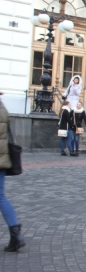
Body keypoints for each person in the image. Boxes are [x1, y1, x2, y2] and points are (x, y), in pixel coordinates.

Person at [0, 93, 25, 252]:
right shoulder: (2, 108)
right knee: (1, 196)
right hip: (3, 158)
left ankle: (16, 235)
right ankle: (16, 234)